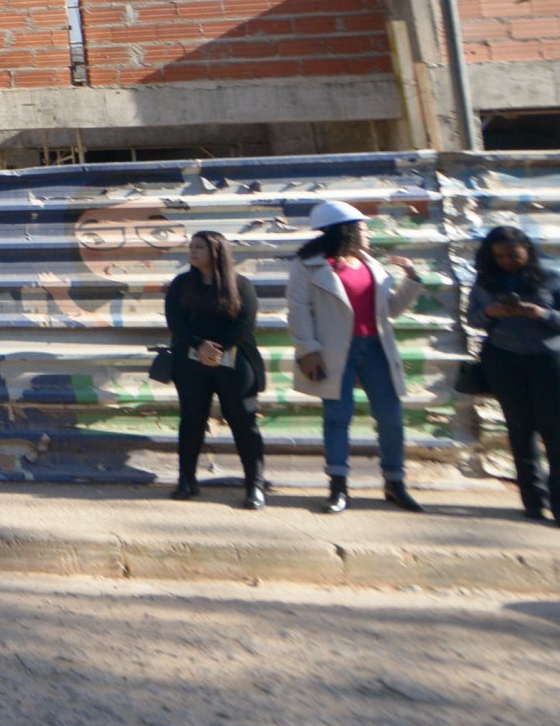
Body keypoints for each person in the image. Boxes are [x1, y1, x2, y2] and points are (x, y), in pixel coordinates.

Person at [285, 198, 425, 514]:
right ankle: (338, 487)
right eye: (363, 228)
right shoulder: (308, 265)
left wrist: (411, 280)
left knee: (390, 417)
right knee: (338, 418)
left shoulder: (371, 265)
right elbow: (298, 310)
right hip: (333, 351)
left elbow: (389, 311)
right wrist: (307, 349)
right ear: (345, 231)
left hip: (375, 348)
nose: (368, 234)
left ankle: (394, 482)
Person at [467, 224, 560, 529]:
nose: (506, 260)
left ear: (528, 251)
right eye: (499, 256)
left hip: (553, 361)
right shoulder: (486, 282)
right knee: (520, 432)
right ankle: (533, 502)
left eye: (513, 254)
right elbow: (473, 317)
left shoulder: (554, 280)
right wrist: (492, 313)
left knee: (557, 433)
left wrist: (542, 314)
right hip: (505, 361)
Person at [163, 229, 268, 509]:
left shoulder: (240, 285)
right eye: (191, 247)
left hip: (235, 363)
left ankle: (254, 486)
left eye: (199, 247)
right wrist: (200, 347)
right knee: (191, 421)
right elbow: (175, 323)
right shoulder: (182, 284)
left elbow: (245, 325)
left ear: (216, 252)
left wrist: (217, 348)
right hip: (191, 363)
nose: (192, 252)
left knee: (244, 423)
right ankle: (186, 480)